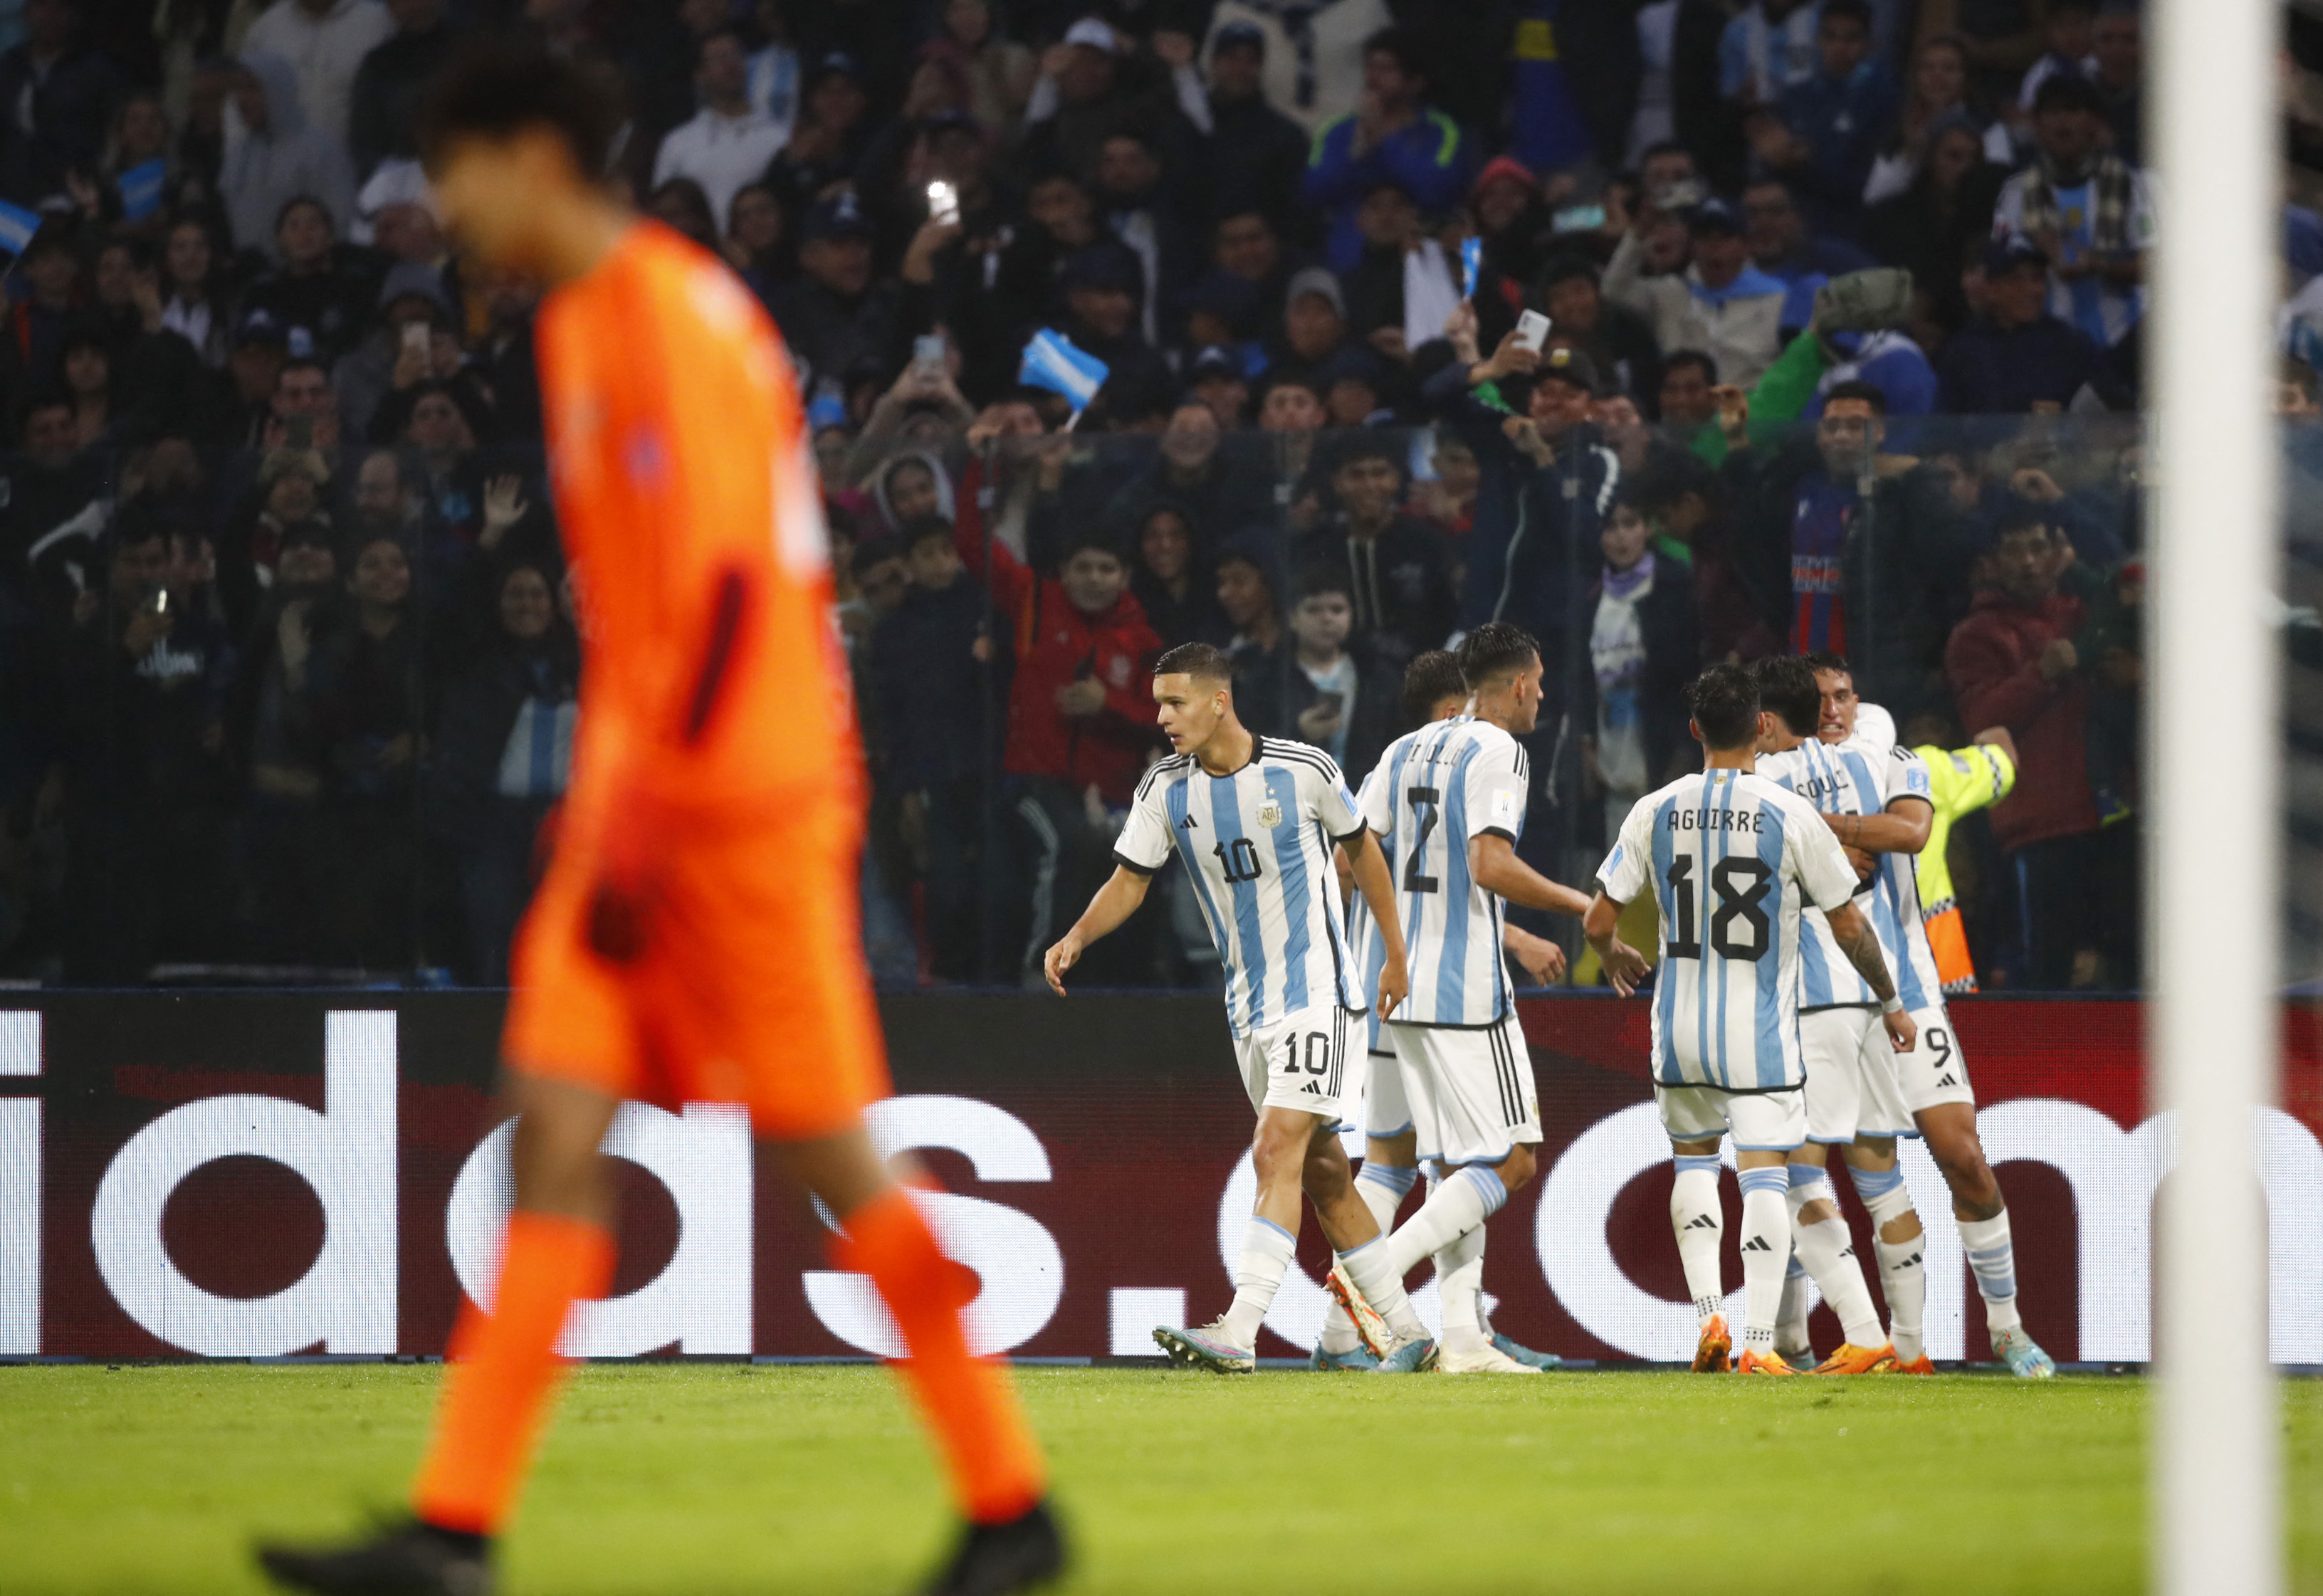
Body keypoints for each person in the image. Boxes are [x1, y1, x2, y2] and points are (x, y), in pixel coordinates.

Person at [253, 45, 1060, 1596]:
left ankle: (1008, 1499)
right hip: (636, 796)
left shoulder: (676, 323)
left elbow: (729, 597)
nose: (440, 209)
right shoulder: (575, 327)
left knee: (831, 1155)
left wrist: (647, 825)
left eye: (454, 172)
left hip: (737, 804)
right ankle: (454, 1528)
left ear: (533, 152)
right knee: (550, 1127)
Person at [1040, 641, 1440, 1376]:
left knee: (1274, 1148)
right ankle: (1411, 1331)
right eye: (1158, 702)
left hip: (1317, 993)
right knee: (1321, 1172)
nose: (1161, 716)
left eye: (1174, 701)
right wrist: (1075, 935)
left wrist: (1393, 952)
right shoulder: (1166, 787)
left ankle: (1240, 1330)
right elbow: (1130, 879)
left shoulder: (1305, 769)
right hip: (1247, 1008)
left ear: (1218, 701)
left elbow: (1364, 854)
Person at [1585, 663, 1909, 1377]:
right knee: (1765, 1173)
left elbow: (1598, 916)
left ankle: (1709, 1319)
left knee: (1693, 1163)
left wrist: (1610, 954)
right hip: (1757, 1032)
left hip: (1676, 1028)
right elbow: (1851, 925)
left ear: (1694, 728)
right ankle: (1759, 1342)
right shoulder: (1787, 813)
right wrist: (1888, 1000)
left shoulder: (1654, 807)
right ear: (1759, 725)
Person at [1340, 624, 1616, 1374]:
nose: (1543, 696)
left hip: (1392, 983)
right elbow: (1488, 863)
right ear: (1521, 682)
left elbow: (1349, 852)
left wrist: (1370, 949)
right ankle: (1369, 1279)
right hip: (1464, 993)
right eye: (1540, 683)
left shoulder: (1404, 749)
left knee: (1437, 1162)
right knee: (1512, 1159)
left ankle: (1457, 1338)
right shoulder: (1499, 751)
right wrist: (1584, 906)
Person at [1804, 652, 2057, 1377]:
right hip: (1833, 1001)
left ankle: (2007, 1327)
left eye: (1843, 695)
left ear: (1860, 700)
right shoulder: (1781, 771)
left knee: (1964, 1157)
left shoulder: (1896, 755)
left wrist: (1823, 829)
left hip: (1912, 993)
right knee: (1869, 1175)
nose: (1833, 709)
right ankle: (1906, 1352)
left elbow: (1910, 830)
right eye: (1819, 698)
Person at [1745, 655, 1912, 1375]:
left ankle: (1860, 1330)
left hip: (1814, 995)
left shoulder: (1765, 781)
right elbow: (1881, 839)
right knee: (1876, 1169)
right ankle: (1869, 1344)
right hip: (1869, 992)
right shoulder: (1863, 769)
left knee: (1790, 1169)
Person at [1943, 506, 2112, 992]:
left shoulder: (2083, 614)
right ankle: (2040, 1067)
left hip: (2107, 815)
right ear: (1992, 562)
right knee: (2046, 975)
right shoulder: (1975, 634)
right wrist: (2041, 674)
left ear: (2057, 554)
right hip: (2036, 824)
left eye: (2038, 547)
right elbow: (1981, 719)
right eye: (2014, 550)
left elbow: (2120, 579)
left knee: (2111, 969)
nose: (2027, 561)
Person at [1992, 72, 2154, 351]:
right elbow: (1998, 273)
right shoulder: (2016, 193)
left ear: (2095, 123)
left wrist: (2098, 265)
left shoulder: (2132, 185)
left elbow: (2157, 266)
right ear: (2036, 124)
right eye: (2053, 112)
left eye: (2073, 110)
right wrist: (2040, 249)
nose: (2063, 122)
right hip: (2048, 349)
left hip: (2125, 345)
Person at [1300, 26, 1477, 276]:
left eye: (1387, 69)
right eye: (1371, 67)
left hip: (1420, 262)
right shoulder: (1337, 130)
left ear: (1416, 82)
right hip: (1349, 263)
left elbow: (1437, 191)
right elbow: (1315, 191)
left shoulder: (1442, 131)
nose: (1374, 78)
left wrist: (1384, 141)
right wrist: (1358, 150)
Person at [1579, 490, 1699, 849]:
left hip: (1664, 748)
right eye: (1610, 527)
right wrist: (1586, 741)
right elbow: (1582, 677)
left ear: (1648, 528)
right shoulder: (1590, 595)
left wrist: (1684, 750)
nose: (1620, 537)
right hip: (1612, 749)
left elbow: (1689, 675)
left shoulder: (1674, 585)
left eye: (1629, 525)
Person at [1937, 236, 2104, 414]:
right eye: (2018, 280)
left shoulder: (2070, 345)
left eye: (2038, 278)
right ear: (1993, 289)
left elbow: (2116, 414)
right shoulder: (1964, 351)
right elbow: (1942, 428)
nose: (2034, 290)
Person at [651, 27, 790, 234]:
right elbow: (661, 214)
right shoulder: (678, 143)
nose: (729, 64)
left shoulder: (779, 137)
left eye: (735, 55)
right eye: (718, 58)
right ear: (700, 74)